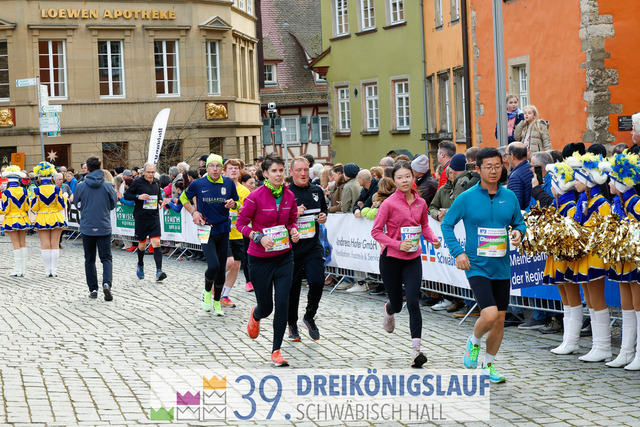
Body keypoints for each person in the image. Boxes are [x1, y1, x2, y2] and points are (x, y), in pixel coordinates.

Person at [442, 147, 526, 383]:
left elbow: (519, 222)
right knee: (489, 315)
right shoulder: (466, 197)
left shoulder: (509, 197)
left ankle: (488, 366)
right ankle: (474, 341)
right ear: (478, 169)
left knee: (499, 320)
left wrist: (519, 232)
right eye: (488, 167)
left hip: (501, 265)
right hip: (477, 265)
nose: (493, 171)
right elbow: (447, 225)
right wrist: (458, 252)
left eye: (498, 166)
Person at [371, 161, 441, 367]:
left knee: (412, 302)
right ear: (394, 181)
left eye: (407, 176)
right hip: (391, 259)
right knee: (397, 304)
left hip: (412, 259)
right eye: (400, 178)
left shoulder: (421, 202)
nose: (404, 181)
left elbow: (424, 226)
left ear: (413, 177)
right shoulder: (389, 204)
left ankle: (416, 352)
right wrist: (397, 244)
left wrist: (433, 239)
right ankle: (389, 309)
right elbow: (376, 231)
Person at [237, 153, 300, 366]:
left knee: (282, 302)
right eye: (274, 171)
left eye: (281, 170)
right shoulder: (255, 196)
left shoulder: (289, 196)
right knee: (266, 307)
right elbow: (241, 223)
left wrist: (293, 231)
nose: (278, 174)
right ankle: (256, 315)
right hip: (259, 259)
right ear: (265, 173)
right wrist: (258, 237)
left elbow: (291, 220)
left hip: (284, 257)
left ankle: (276, 351)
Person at [181, 154, 239, 316]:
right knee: (213, 266)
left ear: (222, 168)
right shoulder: (198, 183)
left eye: (218, 166)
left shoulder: (228, 183)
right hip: (206, 229)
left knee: (221, 269)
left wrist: (234, 204)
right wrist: (193, 212)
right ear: (206, 168)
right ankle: (207, 291)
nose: (215, 169)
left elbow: (237, 202)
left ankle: (217, 302)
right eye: (211, 166)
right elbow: (183, 197)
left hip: (223, 229)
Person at [568, 153, 611, 362]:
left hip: (594, 256)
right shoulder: (583, 201)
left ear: (587, 181)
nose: (574, 182)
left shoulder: (601, 203)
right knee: (590, 300)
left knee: (596, 298)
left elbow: (604, 230)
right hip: (584, 255)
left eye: (578, 179)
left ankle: (604, 346)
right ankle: (597, 345)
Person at [538, 162, 583, 354]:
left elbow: (573, 233)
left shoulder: (570, 206)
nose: (550, 188)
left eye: (553, 184)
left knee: (572, 298)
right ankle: (568, 340)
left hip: (567, 259)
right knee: (565, 299)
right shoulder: (558, 205)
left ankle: (572, 340)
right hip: (557, 257)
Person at [601, 152, 640, 369]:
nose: (609, 184)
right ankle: (626, 351)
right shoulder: (620, 202)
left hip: (635, 260)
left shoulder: (635, 203)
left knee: (637, 303)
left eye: (612, 180)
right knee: (627, 303)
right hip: (624, 259)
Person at [287, 157, 329, 341]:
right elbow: (278, 220)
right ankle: (292, 324)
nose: (303, 173)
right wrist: (294, 213)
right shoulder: (286, 193)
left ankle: (309, 316)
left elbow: (324, 210)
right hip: (292, 249)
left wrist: (323, 216)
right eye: (299, 170)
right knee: (293, 289)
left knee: (318, 282)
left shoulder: (316, 190)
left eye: (306, 169)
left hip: (313, 246)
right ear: (291, 172)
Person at [74, 156, 117, 300]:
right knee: (106, 258)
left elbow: (76, 203)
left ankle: (93, 289)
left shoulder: (81, 186)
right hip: (103, 225)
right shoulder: (108, 186)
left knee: (89, 259)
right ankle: (106, 283)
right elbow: (113, 204)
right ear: (100, 168)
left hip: (87, 226)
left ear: (87, 168)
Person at [124, 162, 167, 281]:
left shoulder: (157, 182)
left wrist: (160, 200)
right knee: (142, 245)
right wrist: (138, 196)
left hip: (154, 217)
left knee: (156, 243)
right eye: (148, 172)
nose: (150, 174)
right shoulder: (137, 182)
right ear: (143, 172)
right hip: (141, 218)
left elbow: (158, 195)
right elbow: (127, 195)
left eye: (152, 172)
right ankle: (140, 264)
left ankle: (159, 271)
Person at [220, 159, 250, 308]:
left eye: (236, 168)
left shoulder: (244, 191)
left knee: (237, 265)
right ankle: (213, 284)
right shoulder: (220, 187)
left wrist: (241, 208)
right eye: (231, 168)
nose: (233, 171)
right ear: (224, 171)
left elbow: (248, 210)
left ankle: (224, 295)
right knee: (228, 262)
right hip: (223, 231)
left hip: (238, 232)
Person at [31, 162, 67, 277]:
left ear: (40, 177)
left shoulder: (36, 190)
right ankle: (54, 270)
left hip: (42, 217)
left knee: (45, 244)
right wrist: (64, 198)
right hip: (55, 216)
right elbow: (61, 206)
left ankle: (47, 271)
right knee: (55, 244)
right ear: (51, 177)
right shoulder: (57, 189)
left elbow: (34, 207)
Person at [1, 166, 31, 277]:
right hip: (22, 218)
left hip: (11, 219)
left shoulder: (6, 192)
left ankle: (18, 270)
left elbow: (5, 209)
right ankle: (23, 270)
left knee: (16, 244)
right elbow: (27, 207)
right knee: (23, 243)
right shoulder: (24, 190)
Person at [506, 142, 533, 211]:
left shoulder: (515, 177)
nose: (506, 158)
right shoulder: (532, 168)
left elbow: (516, 206)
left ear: (512, 156)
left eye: (506, 155)